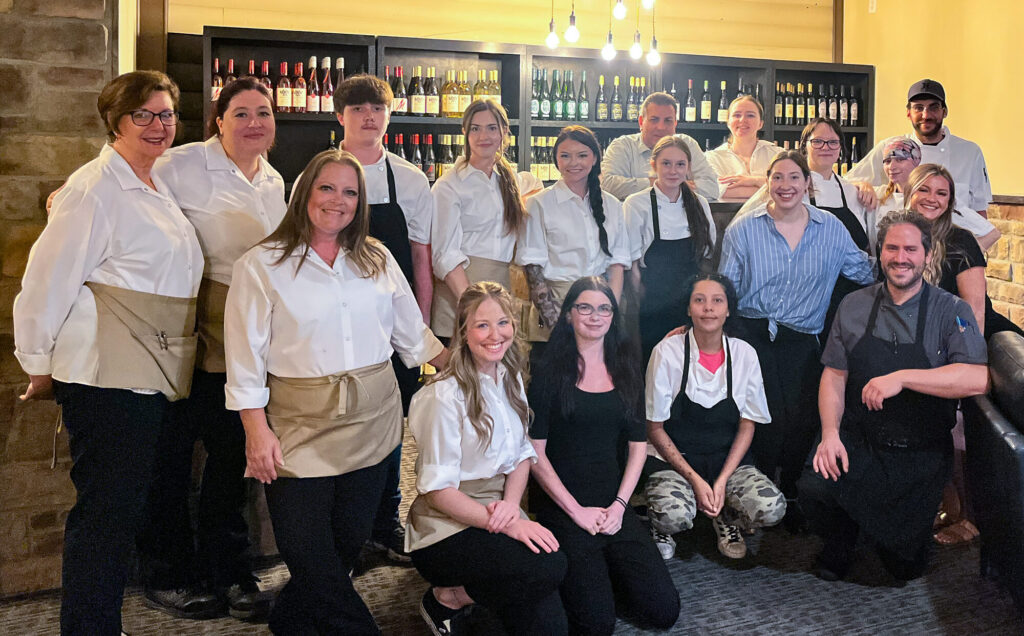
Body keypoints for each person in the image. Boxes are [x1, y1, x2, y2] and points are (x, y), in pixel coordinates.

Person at [224, 149, 447, 635]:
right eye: (327, 187)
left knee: (346, 544)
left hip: (373, 420)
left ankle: (288, 622)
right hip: (297, 423)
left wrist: (478, 372)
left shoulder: (377, 257)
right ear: (304, 192)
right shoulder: (261, 265)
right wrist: (255, 432)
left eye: (350, 192)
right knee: (308, 552)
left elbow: (414, 338)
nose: (338, 201)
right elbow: (245, 362)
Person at [14, 70, 203, 635]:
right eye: (142, 114)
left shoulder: (152, 183)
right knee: (105, 514)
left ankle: (98, 622)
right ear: (115, 121)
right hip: (105, 373)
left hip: (146, 367)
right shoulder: (92, 189)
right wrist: (39, 363)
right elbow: (46, 282)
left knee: (122, 510)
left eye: (166, 114)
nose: (157, 125)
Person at [131, 75, 284, 621]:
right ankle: (168, 574)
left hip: (243, 328)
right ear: (218, 119)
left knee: (229, 457)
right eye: (240, 113)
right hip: (186, 321)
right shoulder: (183, 163)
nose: (254, 123)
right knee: (170, 456)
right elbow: (126, 181)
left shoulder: (274, 180)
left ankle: (229, 569)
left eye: (262, 113)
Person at [798, 210, 988, 581]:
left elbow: (977, 377)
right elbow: (834, 375)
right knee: (812, 486)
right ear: (879, 252)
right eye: (892, 248)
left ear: (928, 255)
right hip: (859, 439)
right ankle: (842, 537)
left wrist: (902, 377)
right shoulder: (853, 305)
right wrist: (830, 435)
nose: (901, 257)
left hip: (918, 452)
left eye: (911, 249)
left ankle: (890, 538)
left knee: (902, 570)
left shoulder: (953, 311)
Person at [719, 150, 874, 531]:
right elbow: (726, 289)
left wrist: (914, 270)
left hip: (802, 336)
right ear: (767, 183)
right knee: (759, 418)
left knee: (801, 421)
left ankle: (789, 495)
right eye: (777, 178)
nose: (785, 186)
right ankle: (752, 496)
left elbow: (863, 270)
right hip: (751, 335)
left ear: (808, 184)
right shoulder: (743, 229)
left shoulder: (832, 229)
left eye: (794, 178)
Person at [406, 282, 568, 636]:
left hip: (498, 507)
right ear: (462, 333)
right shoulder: (443, 396)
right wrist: (509, 524)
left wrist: (511, 507)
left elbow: (523, 454)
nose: (495, 335)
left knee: (552, 627)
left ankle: (488, 597)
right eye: (482, 325)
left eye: (503, 323)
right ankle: (448, 597)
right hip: (447, 522)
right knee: (550, 566)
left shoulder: (508, 376)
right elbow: (439, 492)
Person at [528, 276, 679, 635]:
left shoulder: (625, 369)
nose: (595, 316)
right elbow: (535, 454)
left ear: (612, 316)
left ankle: (602, 574)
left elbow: (638, 446)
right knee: (596, 626)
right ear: (568, 315)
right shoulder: (547, 371)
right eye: (584, 307)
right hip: (565, 507)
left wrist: (620, 505)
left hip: (614, 505)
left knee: (664, 612)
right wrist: (576, 512)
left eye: (604, 308)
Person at [333, 74, 435, 566]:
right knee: (344, 422)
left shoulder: (411, 180)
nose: (368, 116)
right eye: (357, 109)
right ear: (341, 117)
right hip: (336, 323)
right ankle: (345, 529)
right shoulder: (322, 175)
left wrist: (424, 327)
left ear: (389, 116)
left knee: (392, 426)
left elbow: (420, 259)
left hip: (394, 323)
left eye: (377, 108)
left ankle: (384, 520)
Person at [644, 273, 786, 561]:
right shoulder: (667, 352)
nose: (708, 308)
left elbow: (748, 424)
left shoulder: (744, 354)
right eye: (700, 300)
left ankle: (727, 516)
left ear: (728, 309)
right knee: (673, 515)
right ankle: (661, 526)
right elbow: (654, 428)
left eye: (717, 301)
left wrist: (721, 481)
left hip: (725, 460)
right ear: (688, 309)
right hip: (674, 460)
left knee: (772, 508)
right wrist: (696, 480)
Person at [516, 125, 631, 367]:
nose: (573, 163)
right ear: (555, 159)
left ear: (595, 158)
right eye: (565, 156)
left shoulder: (612, 205)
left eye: (582, 155)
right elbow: (533, 270)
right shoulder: (539, 204)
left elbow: (617, 265)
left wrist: (610, 312)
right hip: (555, 304)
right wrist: (557, 322)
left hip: (600, 306)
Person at [848, 79, 998, 246]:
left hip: (951, 253)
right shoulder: (889, 147)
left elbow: (979, 211)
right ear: (908, 113)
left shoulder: (970, 152)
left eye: (933, 107)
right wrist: (863, 184)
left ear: (944, 111)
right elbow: (845, 184)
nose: (926, 115)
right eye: (918, 108)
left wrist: (972, 261)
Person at [430, 98, 526, 342]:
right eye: (475, 128)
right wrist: (474, 306)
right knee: (462, 376)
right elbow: (445, 255)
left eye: (492, 128)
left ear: (505, 132)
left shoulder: (509, 179)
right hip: (460, 294)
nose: (484, 135)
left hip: (501, 289)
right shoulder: (449, 186)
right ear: (464, 132)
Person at [623, 136, 716, 364]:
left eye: (680, 164)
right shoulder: (636, 204)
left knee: (691, 366)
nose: (673, 170)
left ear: (689, 168)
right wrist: (640, 304)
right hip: (652, 305)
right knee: (655, 366)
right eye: (666, 163)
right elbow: (632, 265)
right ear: (653, 165)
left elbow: (706, 257)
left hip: (692, 305)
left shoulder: (700, 203)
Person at [906, 164, 1022, 340]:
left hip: (979, 338)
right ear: (909, 193)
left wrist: (967, 356)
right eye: (924, 190)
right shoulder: (895, 237)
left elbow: (974, 312)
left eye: (941, 193)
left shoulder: (960, 241)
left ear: (949, 201)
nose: (932, 198)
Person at [600, 91, 720, 202]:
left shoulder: (687, 144)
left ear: (675, 123)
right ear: (641, 122)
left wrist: (658, 187)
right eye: (654, 120)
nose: (661, 127)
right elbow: (608, 185)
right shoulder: (622, 146)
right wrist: (662, 184)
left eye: (668, 120)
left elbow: (712, 188)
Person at [705, 95, 783, 200]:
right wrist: (770, 185)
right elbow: (715, 191)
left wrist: (753, 180)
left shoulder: (778, 155)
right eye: (737, 115)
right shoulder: (713, 157)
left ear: (760, 123)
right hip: (729, 216)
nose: (742, 120)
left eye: (750, 115)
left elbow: (789, 186)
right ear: (728, 122)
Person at [873, 137, 923, 222]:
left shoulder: (926, 198)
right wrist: (863, 186)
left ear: (916, 162)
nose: (891, 167)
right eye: (888, 161)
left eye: (900, 160)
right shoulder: (877, 195)